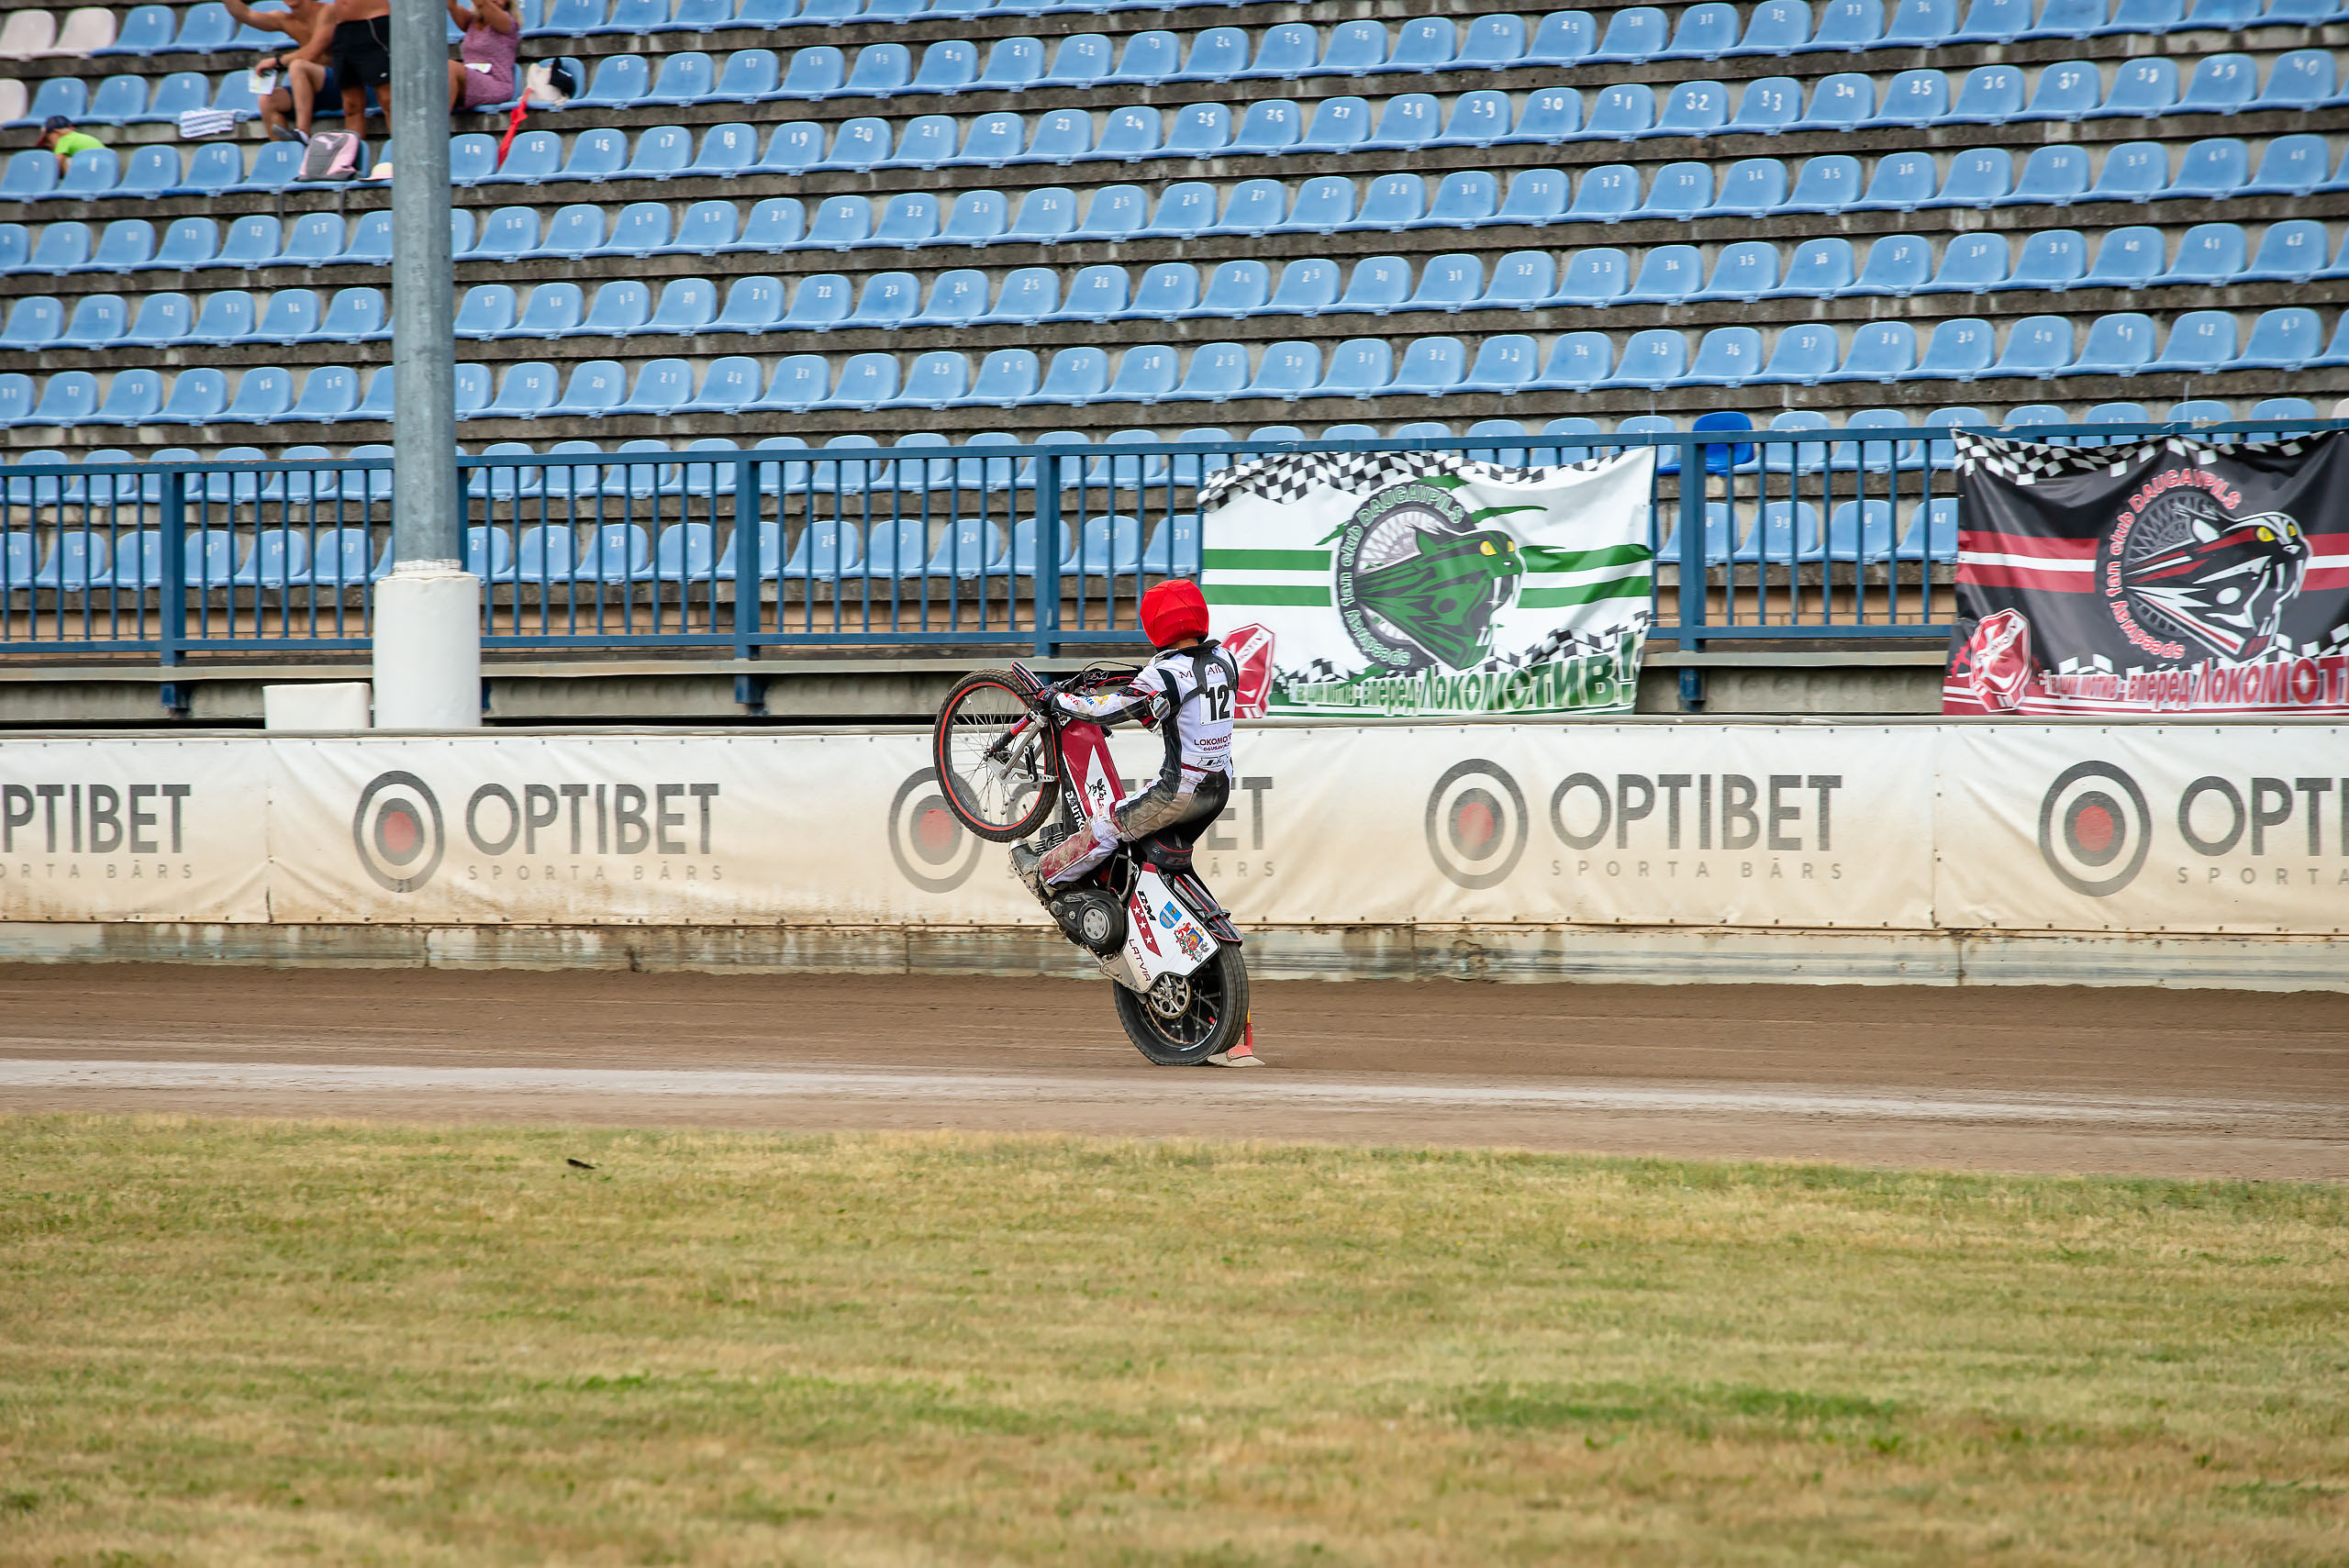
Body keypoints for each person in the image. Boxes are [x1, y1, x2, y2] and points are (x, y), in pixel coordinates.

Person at [1015, 579, 1240, 895]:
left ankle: (1045, 877)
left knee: (1105, 825)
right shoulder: (1226, 660)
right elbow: (1186, 687)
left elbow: (1103, 710)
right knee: (1141, 847)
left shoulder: (1163, 674)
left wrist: (1057, 700)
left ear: (1155, 626)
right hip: (1219, 788)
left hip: (1178, 793)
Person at [283, 0, 391, 133]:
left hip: (373, 23)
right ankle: (352, 152)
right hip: (343, 28)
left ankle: (401, 151)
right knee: (351, 105)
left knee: (388, 100)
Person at [231, 0, 331, 140]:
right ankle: (286, 157)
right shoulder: (285, 19)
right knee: (267, 101)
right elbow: (244, 14)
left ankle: (302, 132)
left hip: (342, 83)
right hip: (315, 90)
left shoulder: (327, 12)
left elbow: (313, 52)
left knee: (298, 66)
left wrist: (277, 61)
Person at [447, 0, 518, 110]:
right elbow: (451, 6)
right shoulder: (471, 21)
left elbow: (482, 3)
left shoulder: (508, 23)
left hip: (496, 84)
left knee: (450, 67)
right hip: (470, 80)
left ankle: (436, 126)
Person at [38, 117, 104, 172]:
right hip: (102, 166)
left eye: (48, 139)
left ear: (56, 132)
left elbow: (57, 162)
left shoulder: (64, 140)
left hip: (93, 167)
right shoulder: (76, 136)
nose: (50, 144)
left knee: (64, 160)